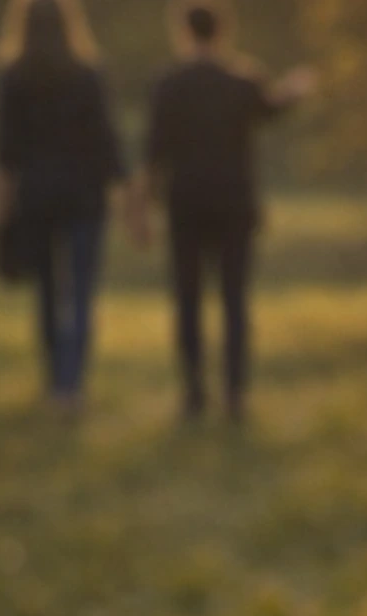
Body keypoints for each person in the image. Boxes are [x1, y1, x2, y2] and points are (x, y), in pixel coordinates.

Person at [131, 3, 314, 423]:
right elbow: (272, 109)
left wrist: (141, 208)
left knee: (188, 299)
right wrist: (296, 88)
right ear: (223, 31)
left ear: (182, 31)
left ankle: (194, 393)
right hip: (234, 204)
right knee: (234, 299)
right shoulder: (242, 80)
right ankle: (234, 394)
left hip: (186, 204)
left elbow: (154, 151)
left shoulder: (168, 84)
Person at [0, 0, 125, 416]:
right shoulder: (87, 73)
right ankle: (71, 384)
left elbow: (6, 151)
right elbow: (106, 137)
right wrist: (124, 191)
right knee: (80, 292)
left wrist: (2, 207)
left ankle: (54, 380)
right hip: (84, 195)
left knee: (48, 291)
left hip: (36, 195)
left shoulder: (14, 75)